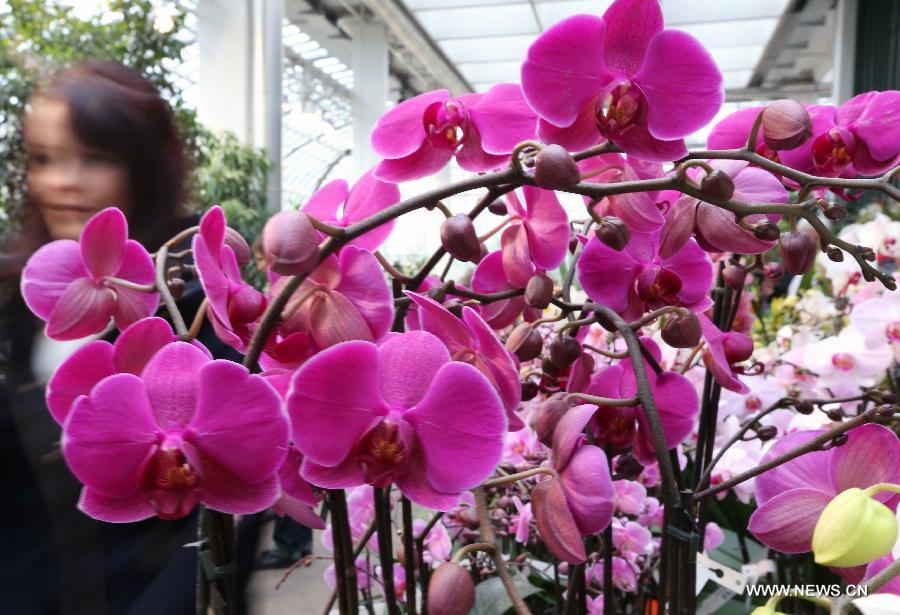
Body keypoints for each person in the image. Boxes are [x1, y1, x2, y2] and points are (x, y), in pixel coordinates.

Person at [0, 60, 235, 615]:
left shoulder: (196, 315)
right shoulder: (20, 300)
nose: (63, 180)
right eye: (44, 159)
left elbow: (229, 521)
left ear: (142, 166)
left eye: (94, 157)